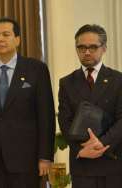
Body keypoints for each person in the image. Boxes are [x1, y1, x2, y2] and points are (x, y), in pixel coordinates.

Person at [0, 17, 55, 188]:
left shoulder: (36, 69)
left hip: (26, 159)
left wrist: (45, 156)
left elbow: (46, 115)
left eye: (6, 34)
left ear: (17, 40)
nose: (0, 39)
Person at [58, 24, 122, 188]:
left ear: (104, 48)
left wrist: (100, 144)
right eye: (81, 47)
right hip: (82, 164)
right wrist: (81, 149)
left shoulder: (118, 80)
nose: (86, 52)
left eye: (93, 47)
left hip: (112, 161)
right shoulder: (67, 83)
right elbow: (65, 122)